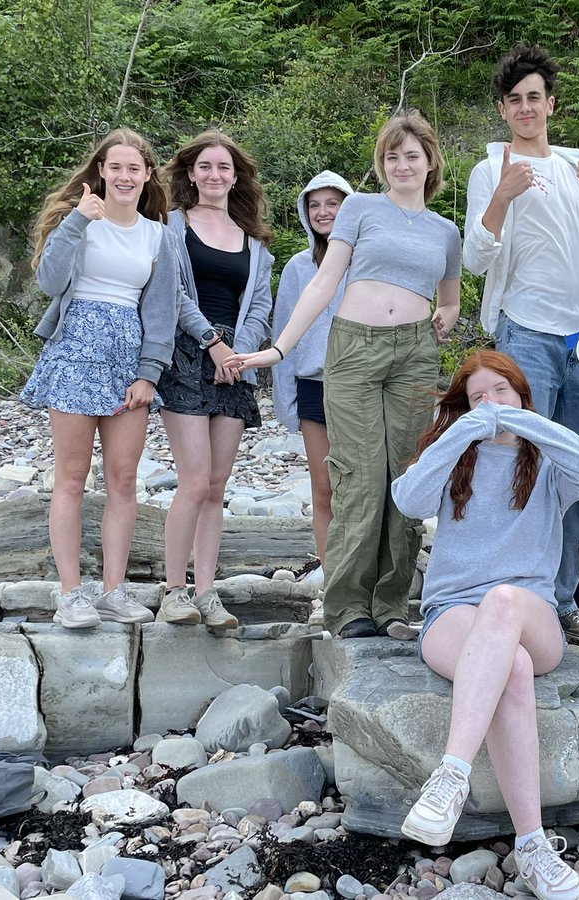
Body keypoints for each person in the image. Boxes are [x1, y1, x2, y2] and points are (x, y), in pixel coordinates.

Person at [226, 111, 461, 640]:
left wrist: (444, 319)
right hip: (354, 347)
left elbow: (449, 299)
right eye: (392, 156)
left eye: (412, 156)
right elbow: (324, 281)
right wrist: (280, 349)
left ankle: (392, 605)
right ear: (382, 164)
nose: (402, 165)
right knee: (358, 476)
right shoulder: (360, 209)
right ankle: (349, 607)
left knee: (406, 478)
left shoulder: (446, 231)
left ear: (430, 163)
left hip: (416, 356)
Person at [391, 350, 579, 900]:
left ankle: (452, 773)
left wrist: (519, 421)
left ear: (522, 397)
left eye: (501, 392)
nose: (490, 405)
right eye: (478, 397)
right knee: (509, 666)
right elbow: (408, 500)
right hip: (452, 614)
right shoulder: (454, 456)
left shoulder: (548, 461)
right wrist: (458, 434)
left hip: (529, 611)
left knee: (505, 602)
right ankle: (532, 846)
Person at [464, 43, 579, 651]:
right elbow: (473, 259)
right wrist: (500, 199)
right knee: (519, 463)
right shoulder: (490, 170)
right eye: (515, 99)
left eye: (535, 98)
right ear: (502, 109)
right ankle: (519, 597)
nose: (526, 108)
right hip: (525, 331)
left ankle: (566, 601)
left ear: (551, 104)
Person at [21, 128, 181, 628]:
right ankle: (71, 593)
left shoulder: (159, 234)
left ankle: (113, 589)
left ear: (148, 175)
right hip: (74, 350)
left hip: (126, 359)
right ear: (101, 173)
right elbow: (49, 282)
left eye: (134, 168)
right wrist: (75, 221)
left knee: (123, 480)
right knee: (70, 478)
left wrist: (149, 374)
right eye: (116, 167)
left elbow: (162, 312)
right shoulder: (81, 221)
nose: (125, 176)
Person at [154, 131, 276, 628]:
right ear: (190, 173)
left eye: (223, 168)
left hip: (236, 365)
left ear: (236, 176)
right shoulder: (169, 227)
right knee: (194, 478)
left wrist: (240, 354)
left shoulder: (255, 243)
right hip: (187, 353)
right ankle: (173, 590)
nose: (214, 175)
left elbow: (261, 305)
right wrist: (213, 343)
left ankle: (207, 591)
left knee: (218, 484)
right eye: (205, 166)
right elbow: (173, 292)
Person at [272, 171, 355, 586]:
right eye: (314, 205)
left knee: (358, 489)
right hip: (313, 387)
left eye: (332, 204)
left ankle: (363, 577)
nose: (323, 212)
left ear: (348, 207)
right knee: (323, 489)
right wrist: (284, 400)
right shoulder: (298, 267)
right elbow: (284, 332)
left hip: (358, 384)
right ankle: (332, 581)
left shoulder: (366, 260)